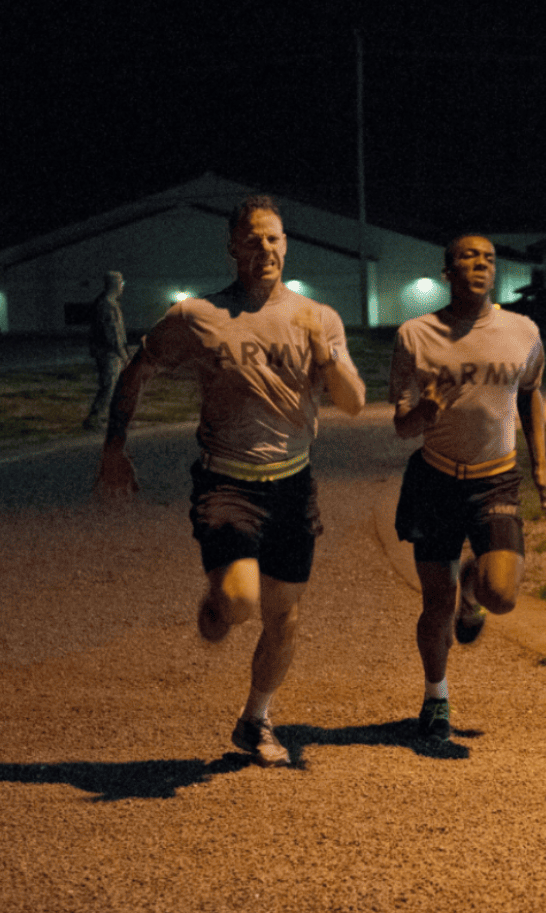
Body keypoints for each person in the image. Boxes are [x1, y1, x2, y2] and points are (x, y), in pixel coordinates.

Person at [94, 195, 366, 766]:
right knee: (239, 603)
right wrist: (115, 448)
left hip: (293, 484)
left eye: (273, 238)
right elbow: (136, 372)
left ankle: (255, 719)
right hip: (227, 484)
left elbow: (354, 402)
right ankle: (220, 603)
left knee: (284, 616)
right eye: (252, 239)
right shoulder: (197, 316)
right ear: (233, 248)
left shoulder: (319, 318)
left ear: (286, 244)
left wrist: (330, 359)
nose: (264, 248)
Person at [389, 234, 546, 744]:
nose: (480, 264)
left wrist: (541, 467)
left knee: (500, 595)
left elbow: (530, 394)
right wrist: (424, 411)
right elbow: (402, 425)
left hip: (495, 479)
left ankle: (473, 596)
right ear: (447, 271)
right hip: (435, 481)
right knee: (435, 603)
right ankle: (435, 698)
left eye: (488, 258)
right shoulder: (415, 335)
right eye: (467, 257)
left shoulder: (522, 330)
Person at [83, 270, 129, 430]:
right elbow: (113, 335)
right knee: (109, 387)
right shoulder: (106, 305)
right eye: (122, 283)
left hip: (110, 352)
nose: (123, 286)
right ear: (116, 284)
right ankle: (94, 419)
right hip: (108, 353)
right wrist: (124, 355)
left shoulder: (109, 303)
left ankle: (116, 419)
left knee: (116, 387)